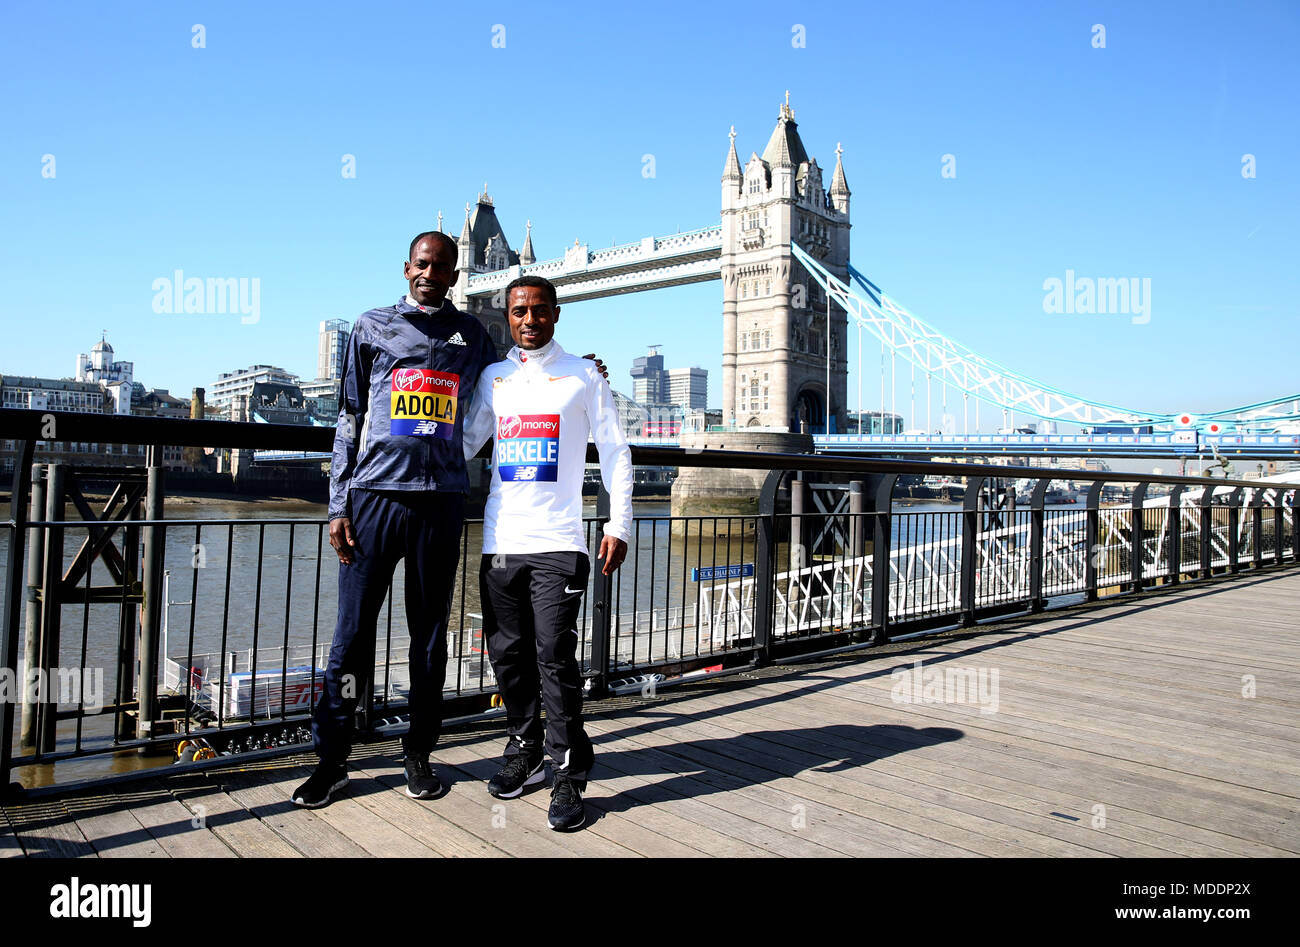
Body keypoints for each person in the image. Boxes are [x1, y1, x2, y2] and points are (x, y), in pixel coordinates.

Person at [462, 274, 633, 831]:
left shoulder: (584, 376)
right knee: (508, 657)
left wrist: (620, 523)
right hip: (500, 542)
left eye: (539, 310)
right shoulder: (494, 377)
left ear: (555, 314)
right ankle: (525, 744)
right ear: (507, 317)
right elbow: (464, 441)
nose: (528, 320)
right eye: (518, 311)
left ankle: (567, 776)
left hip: (560, 542)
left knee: (555, 660)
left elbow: (614, 449)